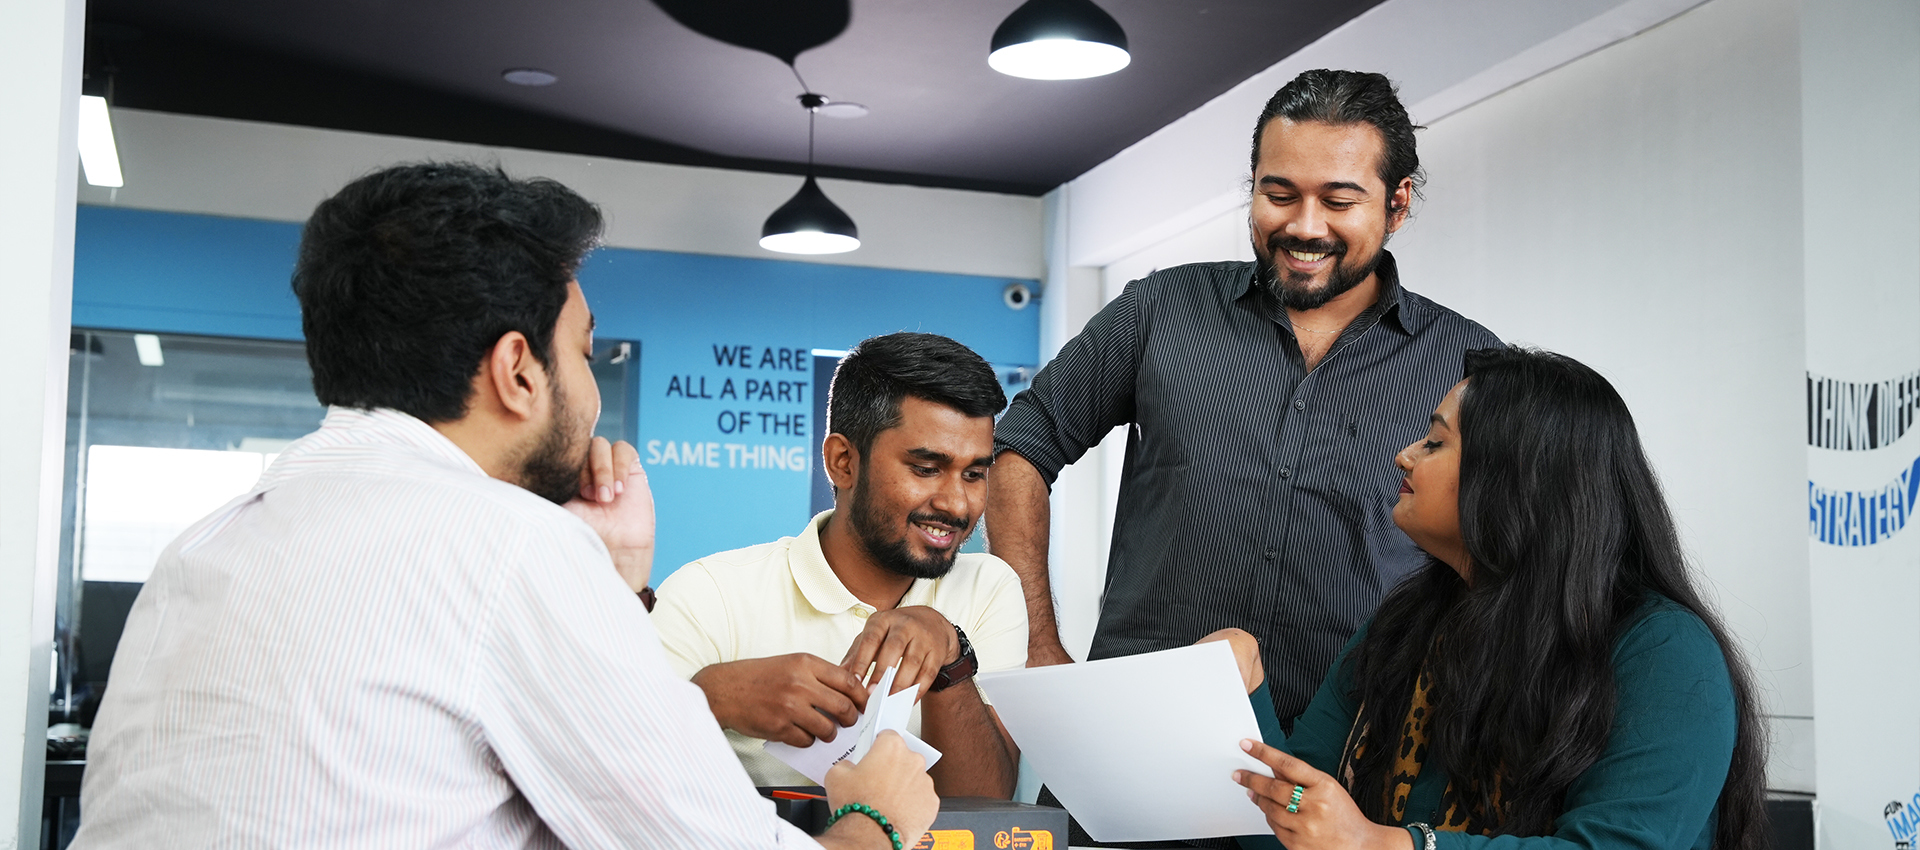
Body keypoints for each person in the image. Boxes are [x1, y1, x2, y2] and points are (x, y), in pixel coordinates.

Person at [71, 163, 936, 850]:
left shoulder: (207, 543)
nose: (590, 393)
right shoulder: (508, 545)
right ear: (518, 371)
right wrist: (877, 820)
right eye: (584, 352)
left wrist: (614, 583)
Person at [988, 69, 1501, 730]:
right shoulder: (1160, 309)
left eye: (1338, 201)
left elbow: (1503, 555)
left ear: (1396, 204)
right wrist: (1036, 643)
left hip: (1351, 750)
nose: (1305, 226)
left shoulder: (1468, 363)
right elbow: (1018, 449)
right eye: (1279, 194)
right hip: (1134, 729)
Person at [1232, 346, 1767, 850]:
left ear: (1517, 478)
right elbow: (1298, 823)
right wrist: (1239, 695)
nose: (1404, 456)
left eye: (1435, 442)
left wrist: (1389, 844)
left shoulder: (1662, 649)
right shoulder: (1403, 625)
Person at [652, 332, 1027, 798]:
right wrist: (713, 697)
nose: (956, 503)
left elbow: (988, 805)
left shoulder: (988, 588)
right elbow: (612, 772)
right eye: (926, 469)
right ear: (843, 462)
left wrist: (950, 656)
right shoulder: (708, 596)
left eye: (974, 474)